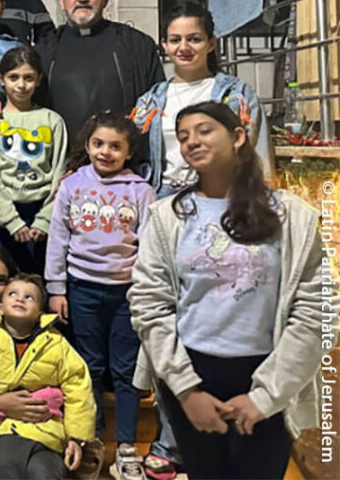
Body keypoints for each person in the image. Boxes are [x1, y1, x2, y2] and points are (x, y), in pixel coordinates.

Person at [129, 102, 327, 480]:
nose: (191, 141)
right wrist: (187, 391)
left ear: (237, 137)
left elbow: (316, 309)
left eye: (204, 130)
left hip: (267, 370)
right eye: (183, 136)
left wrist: (265, 397)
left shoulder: (292, 216)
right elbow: (148, 304)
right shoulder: (167, 216)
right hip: (191, 370)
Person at [45, 112, 155, 479]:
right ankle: (91, 439)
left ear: (128, 152)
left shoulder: (141, 190)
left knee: (126, 370)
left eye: (115, 146)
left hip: (127, 294)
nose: (105, 152)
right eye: (98, 144)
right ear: (88, 145)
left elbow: (150, 247)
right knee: (88, 366)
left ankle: (126, 447)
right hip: (82, 289)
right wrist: (56, 288)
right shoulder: (72, 185)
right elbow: (58, 239)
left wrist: (144, 291)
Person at [0, 274, 95, 480]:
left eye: (29, 297)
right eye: (12, 294)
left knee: (45, 473)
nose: (20, 299)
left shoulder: (55, 343)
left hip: (40, 436)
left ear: (40, 313)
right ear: (0, 307)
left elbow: (78, 384)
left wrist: (76, 438)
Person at [131, 2, 271, 197]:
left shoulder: (237, 95)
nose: (183, 47)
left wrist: (259, 197)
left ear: (211, 43)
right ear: (164, 45)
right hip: (162, 198)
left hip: (220, 196)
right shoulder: (149, 102)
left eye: (194, 39)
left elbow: (258, 155)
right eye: (175, 40)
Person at [14, 0, 163, 139]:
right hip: (62, 153)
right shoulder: (43, 50)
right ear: (62, 1)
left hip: (122, 153)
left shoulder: (136, 45)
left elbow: (156, 102)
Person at [0, 47, 67, 276]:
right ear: (1, 79)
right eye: (13, 77)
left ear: (39, 80)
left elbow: (60, 174)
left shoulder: (52, 120)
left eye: (28, 78)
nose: (21, 85)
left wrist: (45, 219)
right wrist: (11, 221)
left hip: (42, 213)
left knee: (38, 281)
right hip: (3, 214)